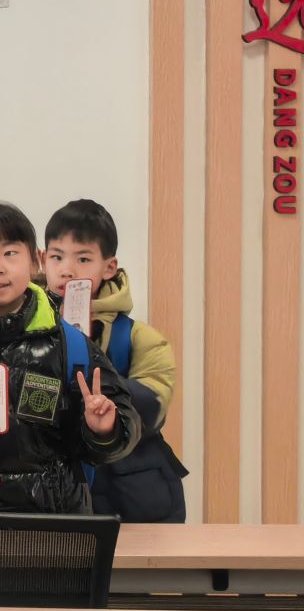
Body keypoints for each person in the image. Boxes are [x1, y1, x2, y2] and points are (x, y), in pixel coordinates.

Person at [0, 203, 140, 513]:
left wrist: (104, 428)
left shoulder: (69, 343)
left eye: (10, 253)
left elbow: (120, 432)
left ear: (34, 260)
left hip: (51, 525)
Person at [42, 197, 188, 521]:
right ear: (42, 259)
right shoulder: (28, 331)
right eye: (57, 257)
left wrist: (96, 379)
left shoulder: (139, 337)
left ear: (109, 267)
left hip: (133, 499)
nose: (67, 270)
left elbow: (153, 406)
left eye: (83, 258)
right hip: (55, 497)